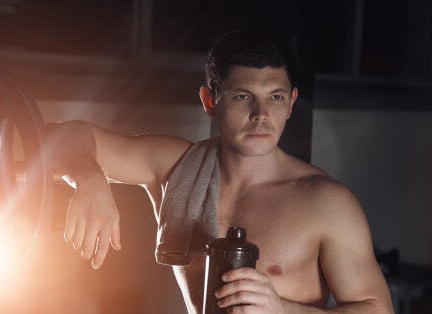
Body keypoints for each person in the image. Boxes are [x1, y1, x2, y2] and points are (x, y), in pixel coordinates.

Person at [44, 30, 393, 313]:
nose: (261, 114)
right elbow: (61, 135)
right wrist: (89, 179)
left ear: (291, 103)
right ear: (211, 101)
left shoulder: (327, 202)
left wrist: (281, 309)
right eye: (243, 97)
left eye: (275, 97)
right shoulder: (175, 167)